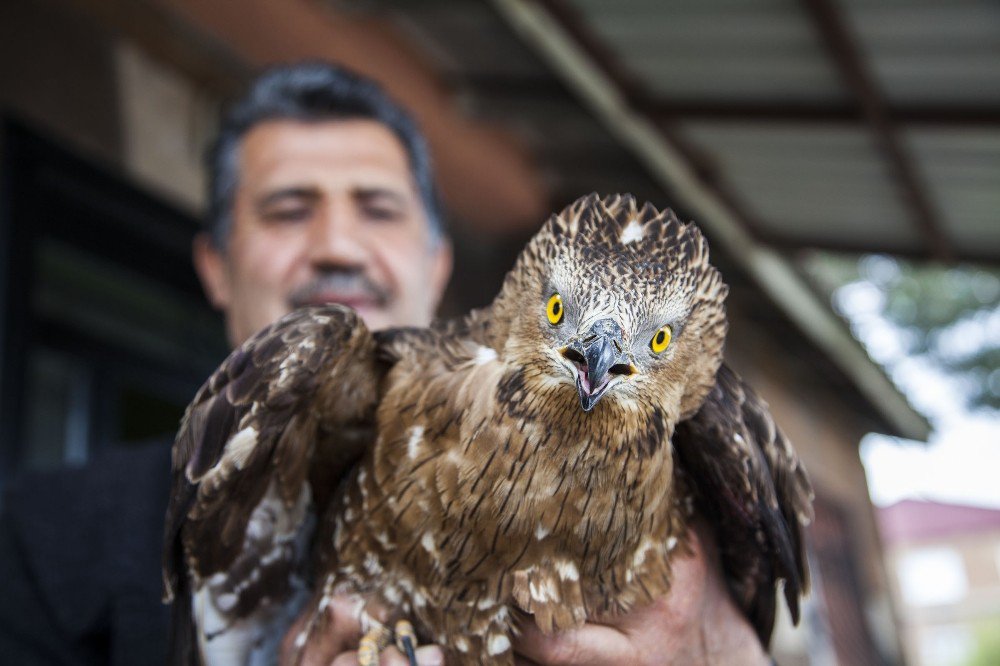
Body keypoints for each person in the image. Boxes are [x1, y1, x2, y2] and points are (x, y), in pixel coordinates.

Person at [0, 62, 768, 665]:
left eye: (377, 207)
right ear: (214, 265)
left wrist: (730, 657)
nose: (337, 245)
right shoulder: (41, 540)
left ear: (435, 266)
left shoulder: (677, 423)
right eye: (288, 209)